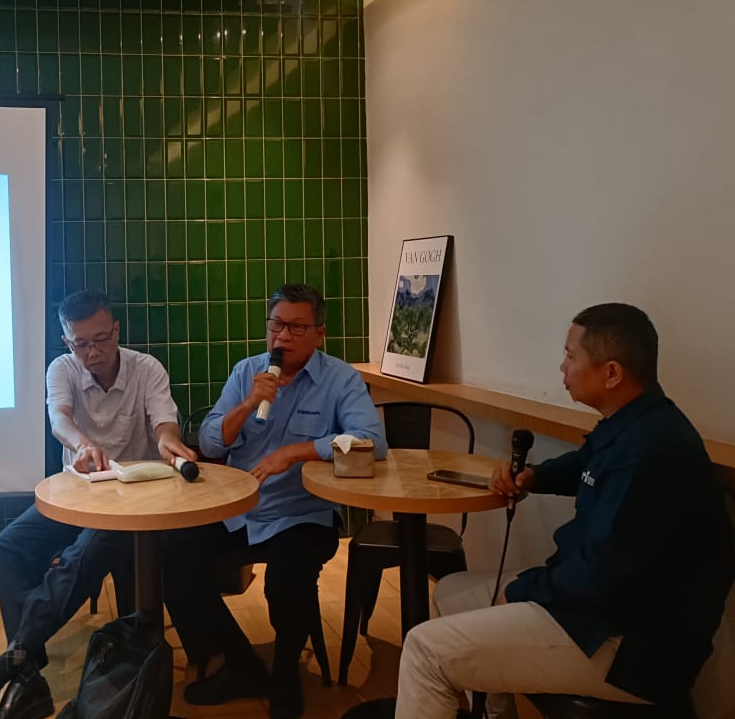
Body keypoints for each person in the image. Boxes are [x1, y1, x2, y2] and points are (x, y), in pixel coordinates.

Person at [396, 303, 735, 719]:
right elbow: (585, 464)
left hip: (631, 648)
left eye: (571, 356)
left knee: (425, 650)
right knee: (452, 593)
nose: (562, 367)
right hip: (600, 612)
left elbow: (599, 578)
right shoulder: (634, 423)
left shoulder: (652, 452)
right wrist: (534, 476)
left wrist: (521, 590)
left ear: (612, 373)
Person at [0, 289, 196, 719]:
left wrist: (169, 442)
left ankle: (12, 664)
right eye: (80, 343)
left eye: (101, 339)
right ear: (67, 341)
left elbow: (164, 423)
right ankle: (27, 675)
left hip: (131, 505)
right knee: (11, 544)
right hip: (78, 494)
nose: (92, 352)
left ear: (116, 330)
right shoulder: (62, 368)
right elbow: (59, 418)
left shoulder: (146, 368)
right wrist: (82, 445)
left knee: (88, 550)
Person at [162, 283, 387, 719]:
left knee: (288, 575)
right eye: (276, 325)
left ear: (319, 333)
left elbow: (372, 443)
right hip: (238, 510)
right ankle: (241, 664)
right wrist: (249, 402)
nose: (282, 336)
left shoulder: (341, 379)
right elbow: (211, 440)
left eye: (296, 327)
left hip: (303, 513)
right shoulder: (247, 371)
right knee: (172, 554)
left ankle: (285, 673)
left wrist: (297, 452)